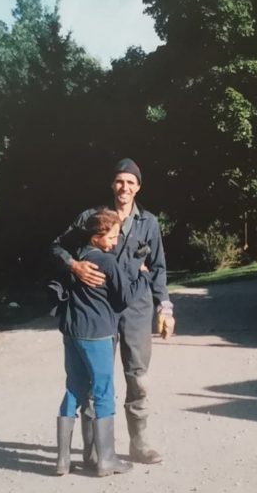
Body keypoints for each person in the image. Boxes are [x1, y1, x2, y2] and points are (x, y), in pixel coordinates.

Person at [50, 158, 174, 466]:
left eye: (131, 182)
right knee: (93, 378)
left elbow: (157, 268)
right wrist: (74, 266)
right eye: (120, 181)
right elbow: (57, 247)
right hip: (98, 310)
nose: (125, 187)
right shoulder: (90, 218)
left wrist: (166, 307)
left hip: (136, 308)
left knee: (137, 375)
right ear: (112, 184)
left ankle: (139, 443)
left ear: (138, 187)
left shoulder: (149, 222)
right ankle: (94, 449)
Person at [55, 207, 149, 477]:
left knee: (74, 388)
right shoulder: (106, 261)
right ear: (96, 236)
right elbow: (124, 298)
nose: (116, 241)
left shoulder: (78, 258)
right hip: (97, 332)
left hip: (72, 331)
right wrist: (142, 273)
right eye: (112, 236)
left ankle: (62, 460)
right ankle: (106, 460)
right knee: (103, 390)